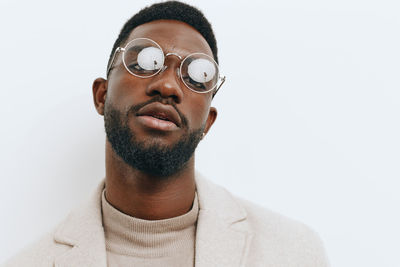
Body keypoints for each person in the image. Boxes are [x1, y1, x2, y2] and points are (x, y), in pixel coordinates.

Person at [2, 1, 329, 266]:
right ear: (102, 96)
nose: (168, 85)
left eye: (197, 74)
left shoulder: (294, 253)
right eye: (146, 61)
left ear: (208, 123)